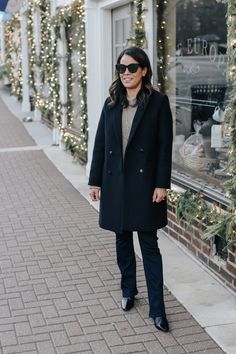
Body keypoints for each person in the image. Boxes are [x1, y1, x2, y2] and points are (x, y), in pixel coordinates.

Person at [88, 47, 173, 332]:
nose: (126, 73)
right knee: (122, 241)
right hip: (116, 184)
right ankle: (128, 291)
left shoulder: (158, 103)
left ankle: (157, 309)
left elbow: (164, 146)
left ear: (144, 70)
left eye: (132, 68)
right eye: (121, 68)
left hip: (146, 186)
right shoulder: (112, 102)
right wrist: (95, 180)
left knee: (149, 246)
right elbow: (101, 143)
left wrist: (162, 183)